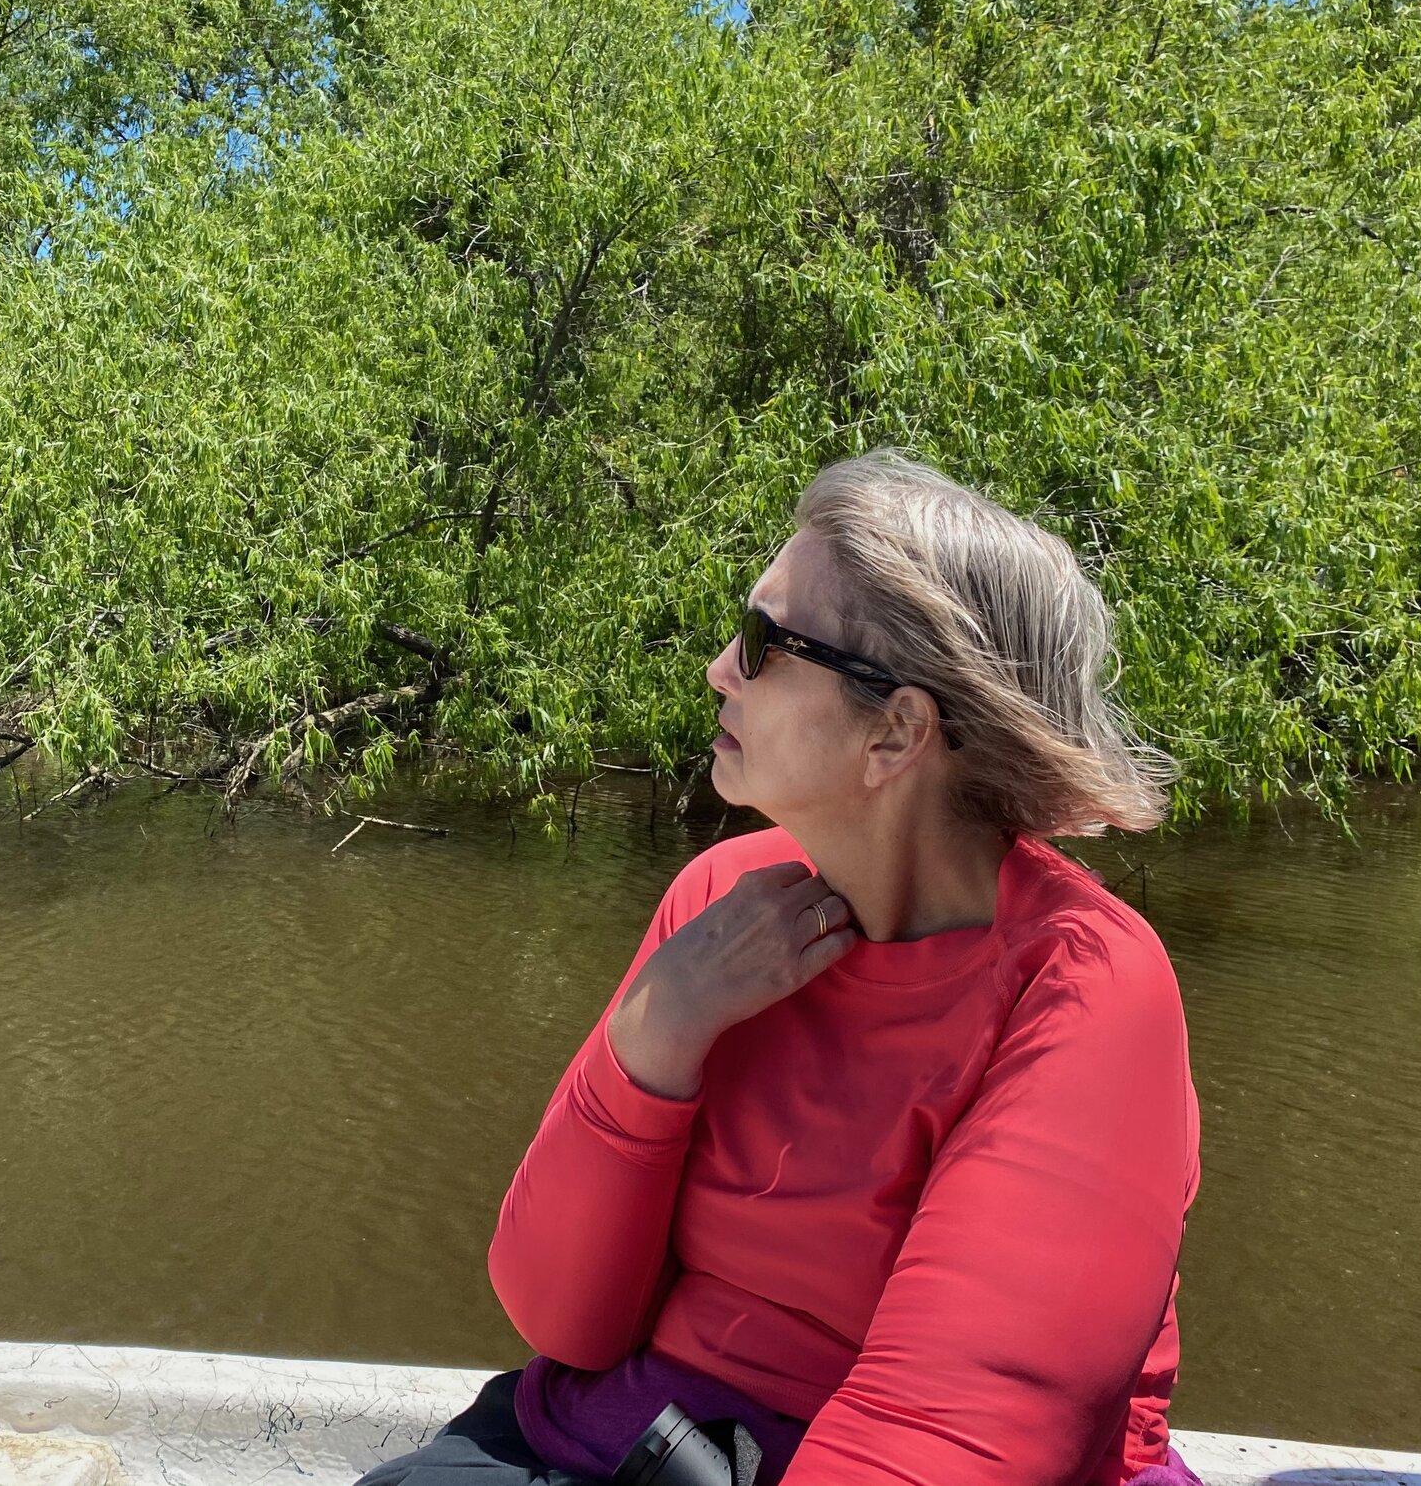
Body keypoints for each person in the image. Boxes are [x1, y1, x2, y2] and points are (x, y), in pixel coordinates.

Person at [360, 450, 1202, 1486]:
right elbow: (562, 1318)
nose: (721, 666)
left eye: (765, 642)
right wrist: (657, 1031)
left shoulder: (1082, 983)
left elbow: (945, 1445)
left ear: (896, 732)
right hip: (625, 1436)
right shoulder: (722, 905)